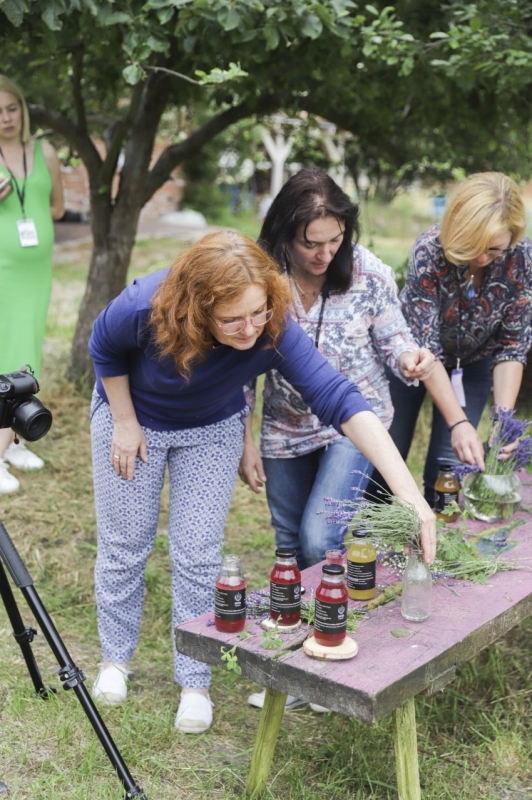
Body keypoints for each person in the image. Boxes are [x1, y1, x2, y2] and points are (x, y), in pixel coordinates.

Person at [88, 229, 436, 734]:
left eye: (258, 313)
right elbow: (104, 345)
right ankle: (115, 660)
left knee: (199, 553)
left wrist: (410, 495)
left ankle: (194, 681)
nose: (250, 329)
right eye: (231, 320)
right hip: (133, 419)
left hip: (211, 429)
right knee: (125, 544)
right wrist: (122, 420)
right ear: (196, 309)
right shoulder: (147, 304)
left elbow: (339, 398)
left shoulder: (272, 325)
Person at [238, 169, 435, 570]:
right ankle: (309, 625)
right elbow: (241, 369)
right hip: (285, 425)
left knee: (319, 538)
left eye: (335, 240)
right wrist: (245, 440)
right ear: (284, 234)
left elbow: (396, 338)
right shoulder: (260, 278)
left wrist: (409, 358)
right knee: (290, 543)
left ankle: (340, 619)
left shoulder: (369, 273)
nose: (325, 255)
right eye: (310, 244)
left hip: (355, 420)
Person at [375, 172, 532, 506]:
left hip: (473, 363)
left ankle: (438, 535)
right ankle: (379, 534)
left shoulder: (521, 260)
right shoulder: (427, 253)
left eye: (494, 249)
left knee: (449, 464)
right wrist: (458, 421)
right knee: (388, 457)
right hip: (413, 363)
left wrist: (503, 422)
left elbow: (512, 345)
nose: (481, 258)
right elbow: (425, 349)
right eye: (474, 246)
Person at [0, 75, 64, 494]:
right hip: (2, 269)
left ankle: (13, 440)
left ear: (23, 110)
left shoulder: (46, 152)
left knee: (26, 353)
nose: (5, 118)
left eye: (11, 109)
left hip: (35, 272)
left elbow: (56, 207)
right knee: (8, 352)